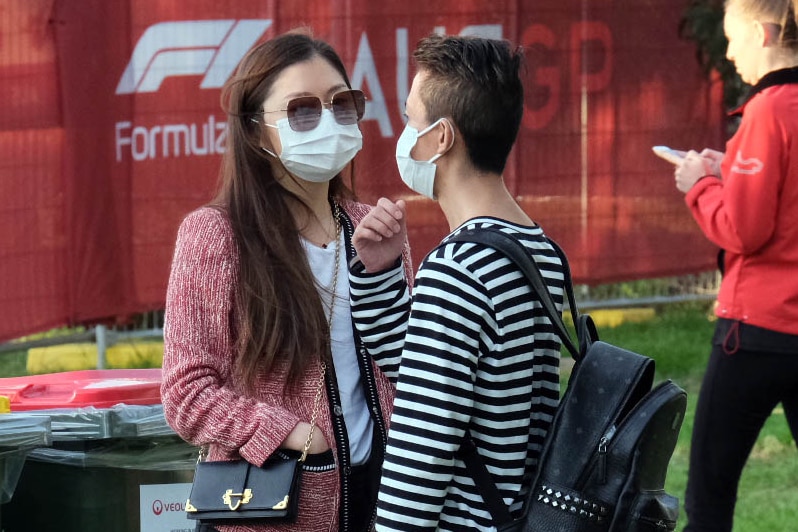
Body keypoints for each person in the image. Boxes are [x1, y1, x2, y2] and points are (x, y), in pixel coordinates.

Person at [161, 31, 413, 532]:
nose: (328, 121)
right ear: (257, 132)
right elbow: (186, 393)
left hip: (384, 497)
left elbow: (409, 362)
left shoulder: (375, 229)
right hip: (279, 501)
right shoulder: (216, 234)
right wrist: (291, 434)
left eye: (343, 104)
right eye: (302, 109)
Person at [347, 34, 565, 531]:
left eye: (410, 119)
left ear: (442, 137)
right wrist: (381, 277)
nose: (405, 134)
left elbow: (423, 445)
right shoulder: (540, 250)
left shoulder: (459, 266)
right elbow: (432, 372)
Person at [673, 0, 798, 530]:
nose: (728, 50)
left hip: (757, 332)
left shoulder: (769, 108)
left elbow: (744, 230)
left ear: (765, 33)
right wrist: (733, 175)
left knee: (709, 490)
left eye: (734, 36)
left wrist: (700, 185)